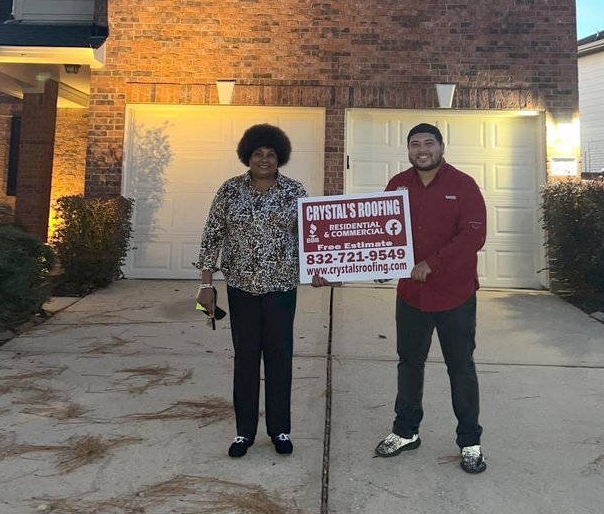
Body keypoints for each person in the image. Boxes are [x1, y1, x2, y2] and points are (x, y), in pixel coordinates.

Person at [314, 121, 488, 473]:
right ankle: (406, 431)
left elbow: (473, 236)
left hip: (455, 295)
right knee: (409, 364)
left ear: (441, 147)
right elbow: (378, 235)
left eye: (428, 143)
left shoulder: (463, 185)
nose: (422, 150)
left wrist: (431, 263)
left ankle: (470, 441)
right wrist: (346, 267)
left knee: (461, 368)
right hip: (412, 296)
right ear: (408, 150)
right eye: (415, 144)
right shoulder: (397, 186)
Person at [196, 124, 306, 458]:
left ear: (280, 157)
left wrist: (321, 269)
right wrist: (206, 285)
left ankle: (279, 430)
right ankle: (244, 432)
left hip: (281, 287)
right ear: (248, 156)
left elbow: (310, 236)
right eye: (258, 154)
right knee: (245, 358)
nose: (264, 159)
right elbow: (212, 236)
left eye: (271, 154)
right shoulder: (230, 190)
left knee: (279, 357)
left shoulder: (294, 191)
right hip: (240, 287)